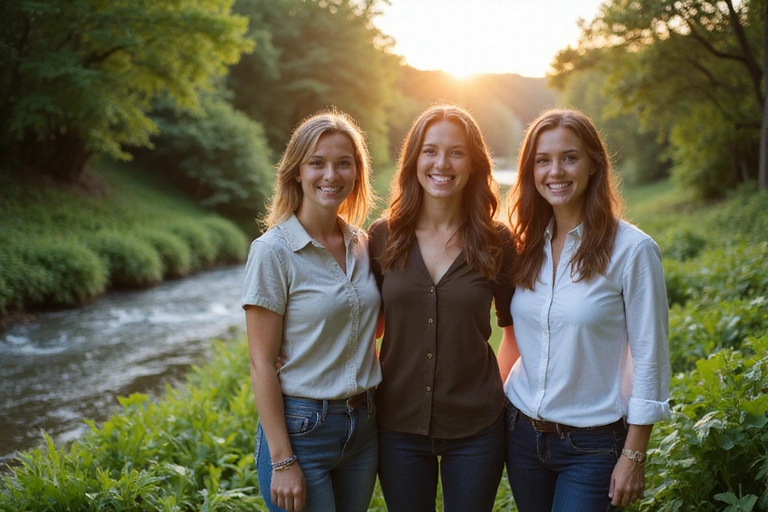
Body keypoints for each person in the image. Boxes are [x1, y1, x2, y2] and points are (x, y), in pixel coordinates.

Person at [497, 108, 671, 511]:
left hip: (592, 445)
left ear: (593, 164)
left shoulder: (632, 250)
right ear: (531, 170)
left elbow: (651, 357)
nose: (555, 171)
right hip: (522, 435)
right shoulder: (526, 245)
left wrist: (634, 454)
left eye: (569, 157)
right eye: (543, 160)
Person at [369, 104, 516, 512]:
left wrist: (491, 392)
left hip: (477, 428)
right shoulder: (383, 236)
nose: (442, 163)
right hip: (396, 424)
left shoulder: (496, 240)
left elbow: (514, 331)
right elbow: (367, 326)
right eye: (430, 150)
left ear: (473, 164)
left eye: (456, 152)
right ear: (414, 159)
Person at [242, 109, 381, 512]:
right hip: (303, 430)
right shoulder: (273, 252)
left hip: (364, 427)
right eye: (317, 163)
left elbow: (370, 323)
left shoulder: (362, 244)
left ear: (357, 172)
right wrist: (283, 460)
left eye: (343, 163)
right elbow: (261, 364)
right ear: (296, 172)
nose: (331, 175)